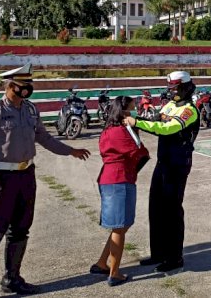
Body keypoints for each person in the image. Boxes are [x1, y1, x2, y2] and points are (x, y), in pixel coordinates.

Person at [0, 63, 91, 298]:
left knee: (21, 229)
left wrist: (69, 150)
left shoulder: (31, 110)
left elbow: (43, 137)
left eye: (29, 85)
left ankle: (12, 279)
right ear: (10, 86)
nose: (27, 90)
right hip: (1, 178)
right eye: (23, 86)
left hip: (26, 175)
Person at [124, 70, 199, 273]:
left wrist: (137, 122)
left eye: (175, 88)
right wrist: (133, 117)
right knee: (155, 207)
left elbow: (167, 128)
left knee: (172, 210)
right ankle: (158, 253)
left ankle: (175, 257)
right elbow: (156, 119)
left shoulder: (189, 110)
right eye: (170, 88)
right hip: (163, 162)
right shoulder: (170, 105)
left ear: (184, 87)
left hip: (178, 164)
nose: (171, 91)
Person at [92, 96, 150, 287]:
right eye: (131, 110)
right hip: (120, 179)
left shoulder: (108, 130)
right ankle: (114, 272)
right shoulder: (122, 132)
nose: (133, 113)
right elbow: (140, 152)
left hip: (109, 177)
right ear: (124, 112)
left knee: (119, 226)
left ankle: (102, 263)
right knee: (120, 227)